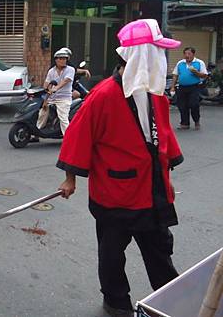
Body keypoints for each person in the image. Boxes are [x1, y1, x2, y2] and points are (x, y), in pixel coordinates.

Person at [57, 19, 183, 317]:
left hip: (151, 189)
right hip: (115, 191)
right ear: (139, 56)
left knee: (159, 250)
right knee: (112, 254)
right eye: (156, 53)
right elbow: (78, 135)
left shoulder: (154, 92)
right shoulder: (103, 96)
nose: (161, 61)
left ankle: (172, 299)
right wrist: (70, 178)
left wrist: (169, 167)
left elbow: (163, 132)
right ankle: (116, 301)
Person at [37, 48, 75, 135]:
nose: (63, 60)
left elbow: (66, 81)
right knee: (42, 114)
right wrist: (46, 88)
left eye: (65, 59)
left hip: (64, 99)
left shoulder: (70, 69)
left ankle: (68, 139)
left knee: (63, 117)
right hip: (51, 98)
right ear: (56, 60)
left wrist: (56, 88)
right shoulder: (51, 71)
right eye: (61, 58)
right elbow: (46, 83)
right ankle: (37, 134)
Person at [170, 47, 208, 130]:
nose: (187, 56)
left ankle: (196, 121)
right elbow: (175, 75)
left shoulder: (199, 63)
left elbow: (205, 75)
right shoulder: (180, 63)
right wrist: (172, 87)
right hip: (182, 87)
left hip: (194, 87)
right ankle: (185, 123)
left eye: (189, 54)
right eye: (185, 54)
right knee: (182, 105)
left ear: (193, 54)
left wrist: (196, 72)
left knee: (194, 104)